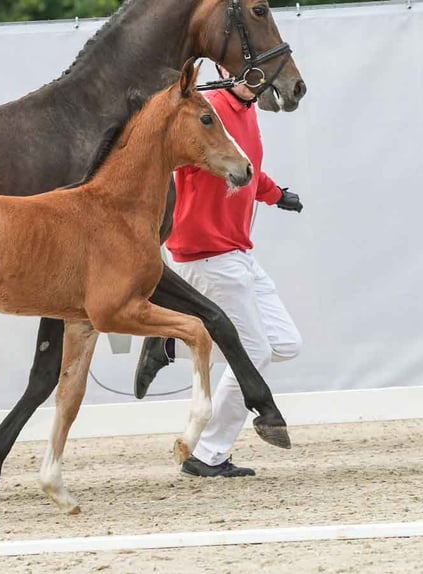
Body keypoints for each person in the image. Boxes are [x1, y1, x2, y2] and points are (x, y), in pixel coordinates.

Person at [135, 66, 303, 478]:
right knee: (256, 352)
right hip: (207, 255)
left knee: (284, 343)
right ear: (225, 70)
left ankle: (170, 337)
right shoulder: (208, 111)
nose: (257, 79)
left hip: (239, 252)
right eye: (247, 70)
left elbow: (246, 167)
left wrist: (276, 194)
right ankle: (207, 453)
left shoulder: (248, 112)